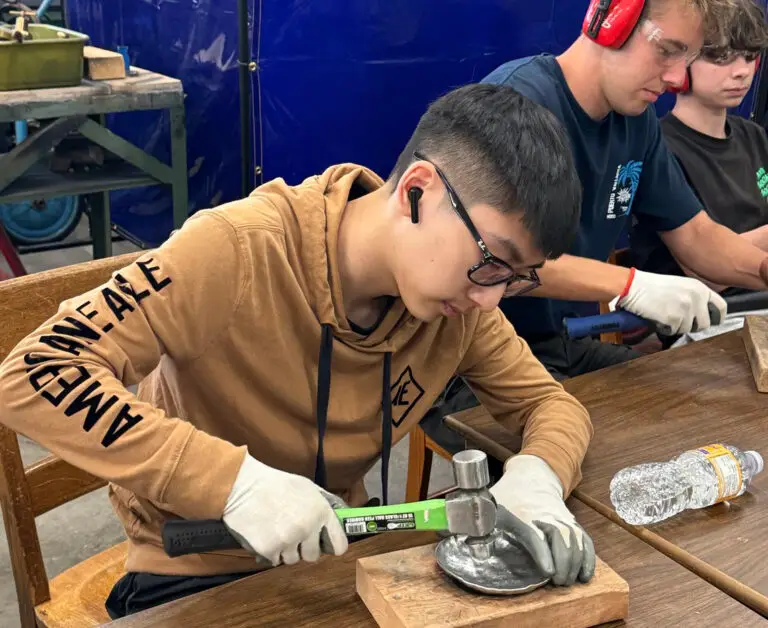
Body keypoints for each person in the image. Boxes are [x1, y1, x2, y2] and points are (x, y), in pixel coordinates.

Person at [0, 84, 595, 618]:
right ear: (417, 191)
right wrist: (233, 484)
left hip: (337, 557)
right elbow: (33, 372)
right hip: (195, 573)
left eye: (517, 278)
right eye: (492, 260)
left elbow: (554, 407)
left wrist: (537, 477)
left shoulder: (457, 306)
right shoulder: (237, 250)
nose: (492, 298)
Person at [419, 0, 768, 451]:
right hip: (463, 359)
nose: (676, 78)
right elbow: (487, 260)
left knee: (693, 415)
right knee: (596, 457)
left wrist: (763, 269)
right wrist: (629, 284)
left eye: (687, 58)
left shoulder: (637, 124)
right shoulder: (515, 107)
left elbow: (698, 236)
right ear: (610, 21)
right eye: (669, 50)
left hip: (555, 345)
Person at [631, 0, 768, 293]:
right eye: (722, 57)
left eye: (749, 56)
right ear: (683, 58)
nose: (742, 71)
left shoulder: (754, 136)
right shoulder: (660, 148)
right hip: (708, 317)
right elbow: (707, 274)